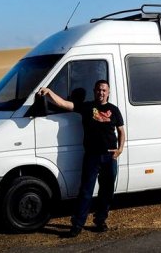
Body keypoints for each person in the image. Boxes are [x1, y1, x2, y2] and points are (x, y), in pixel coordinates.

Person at [38, 80, 125, 237]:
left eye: (104, 90)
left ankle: (100, 221)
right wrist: (50, 92)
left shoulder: (114, 110)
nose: (101, 92)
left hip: (109, 156)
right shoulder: (87, 107)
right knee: (85, 191)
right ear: (94, 91)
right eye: (99, 89)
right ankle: (77, 225)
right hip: (92, 156)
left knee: (107, 192)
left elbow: (121, 131)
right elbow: (64, 104)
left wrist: (119, 149)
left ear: (109, 92)